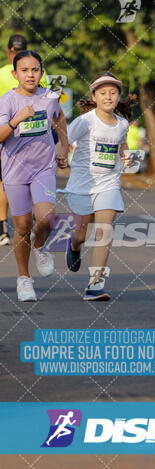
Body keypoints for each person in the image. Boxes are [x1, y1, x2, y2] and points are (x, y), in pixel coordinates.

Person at [0, 50, 68, 301]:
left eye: (35, 69)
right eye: (25, 70)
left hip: (43, 167)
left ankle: (39, 246)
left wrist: (63, 144)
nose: (30, 74)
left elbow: (59, 118)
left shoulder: (50, 97)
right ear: (15, 73)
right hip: (14, 170)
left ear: (41, 72)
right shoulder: (7, 101)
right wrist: (17, 119)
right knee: (21, 226)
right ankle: (24, 279)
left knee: (47, 219)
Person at [65, 72, 135, 301]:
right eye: (103, 93)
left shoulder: (122, 123)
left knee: (105, 229)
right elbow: (64, 140)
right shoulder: (85, 121)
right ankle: (74, 245)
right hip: (82, 185)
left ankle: (95, 284)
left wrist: (126, 156)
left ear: (118, 96)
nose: (108, 97)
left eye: (113, 93)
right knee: (82, 234)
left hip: (108, 184)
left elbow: (122, 145)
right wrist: (60, 155)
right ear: (94, 96)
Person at [0, 35, 49, 246]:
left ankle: (12, 225)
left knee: (15, 181)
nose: (30, 75)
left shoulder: (7, 72)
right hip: (11, 132)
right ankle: (9, 224)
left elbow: (51, 104)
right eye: (14, 50)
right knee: (10, 181)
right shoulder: (8, 73)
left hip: (27, 134)